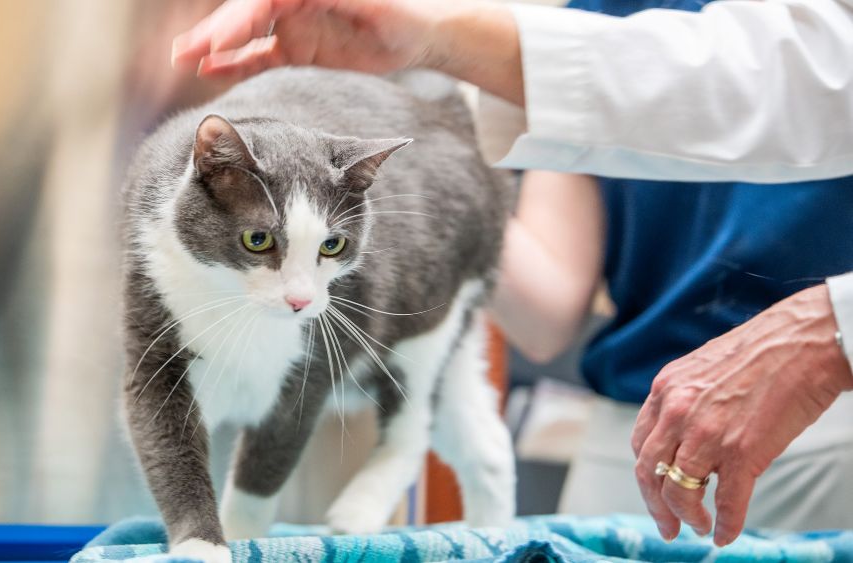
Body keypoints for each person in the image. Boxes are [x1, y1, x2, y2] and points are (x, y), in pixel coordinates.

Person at [169, 0, 853, 547]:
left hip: (830, 430)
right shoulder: (595, 18)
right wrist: (417, 111)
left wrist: (833, 328)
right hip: (641, 440)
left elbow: (809, 67)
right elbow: (548, 308)